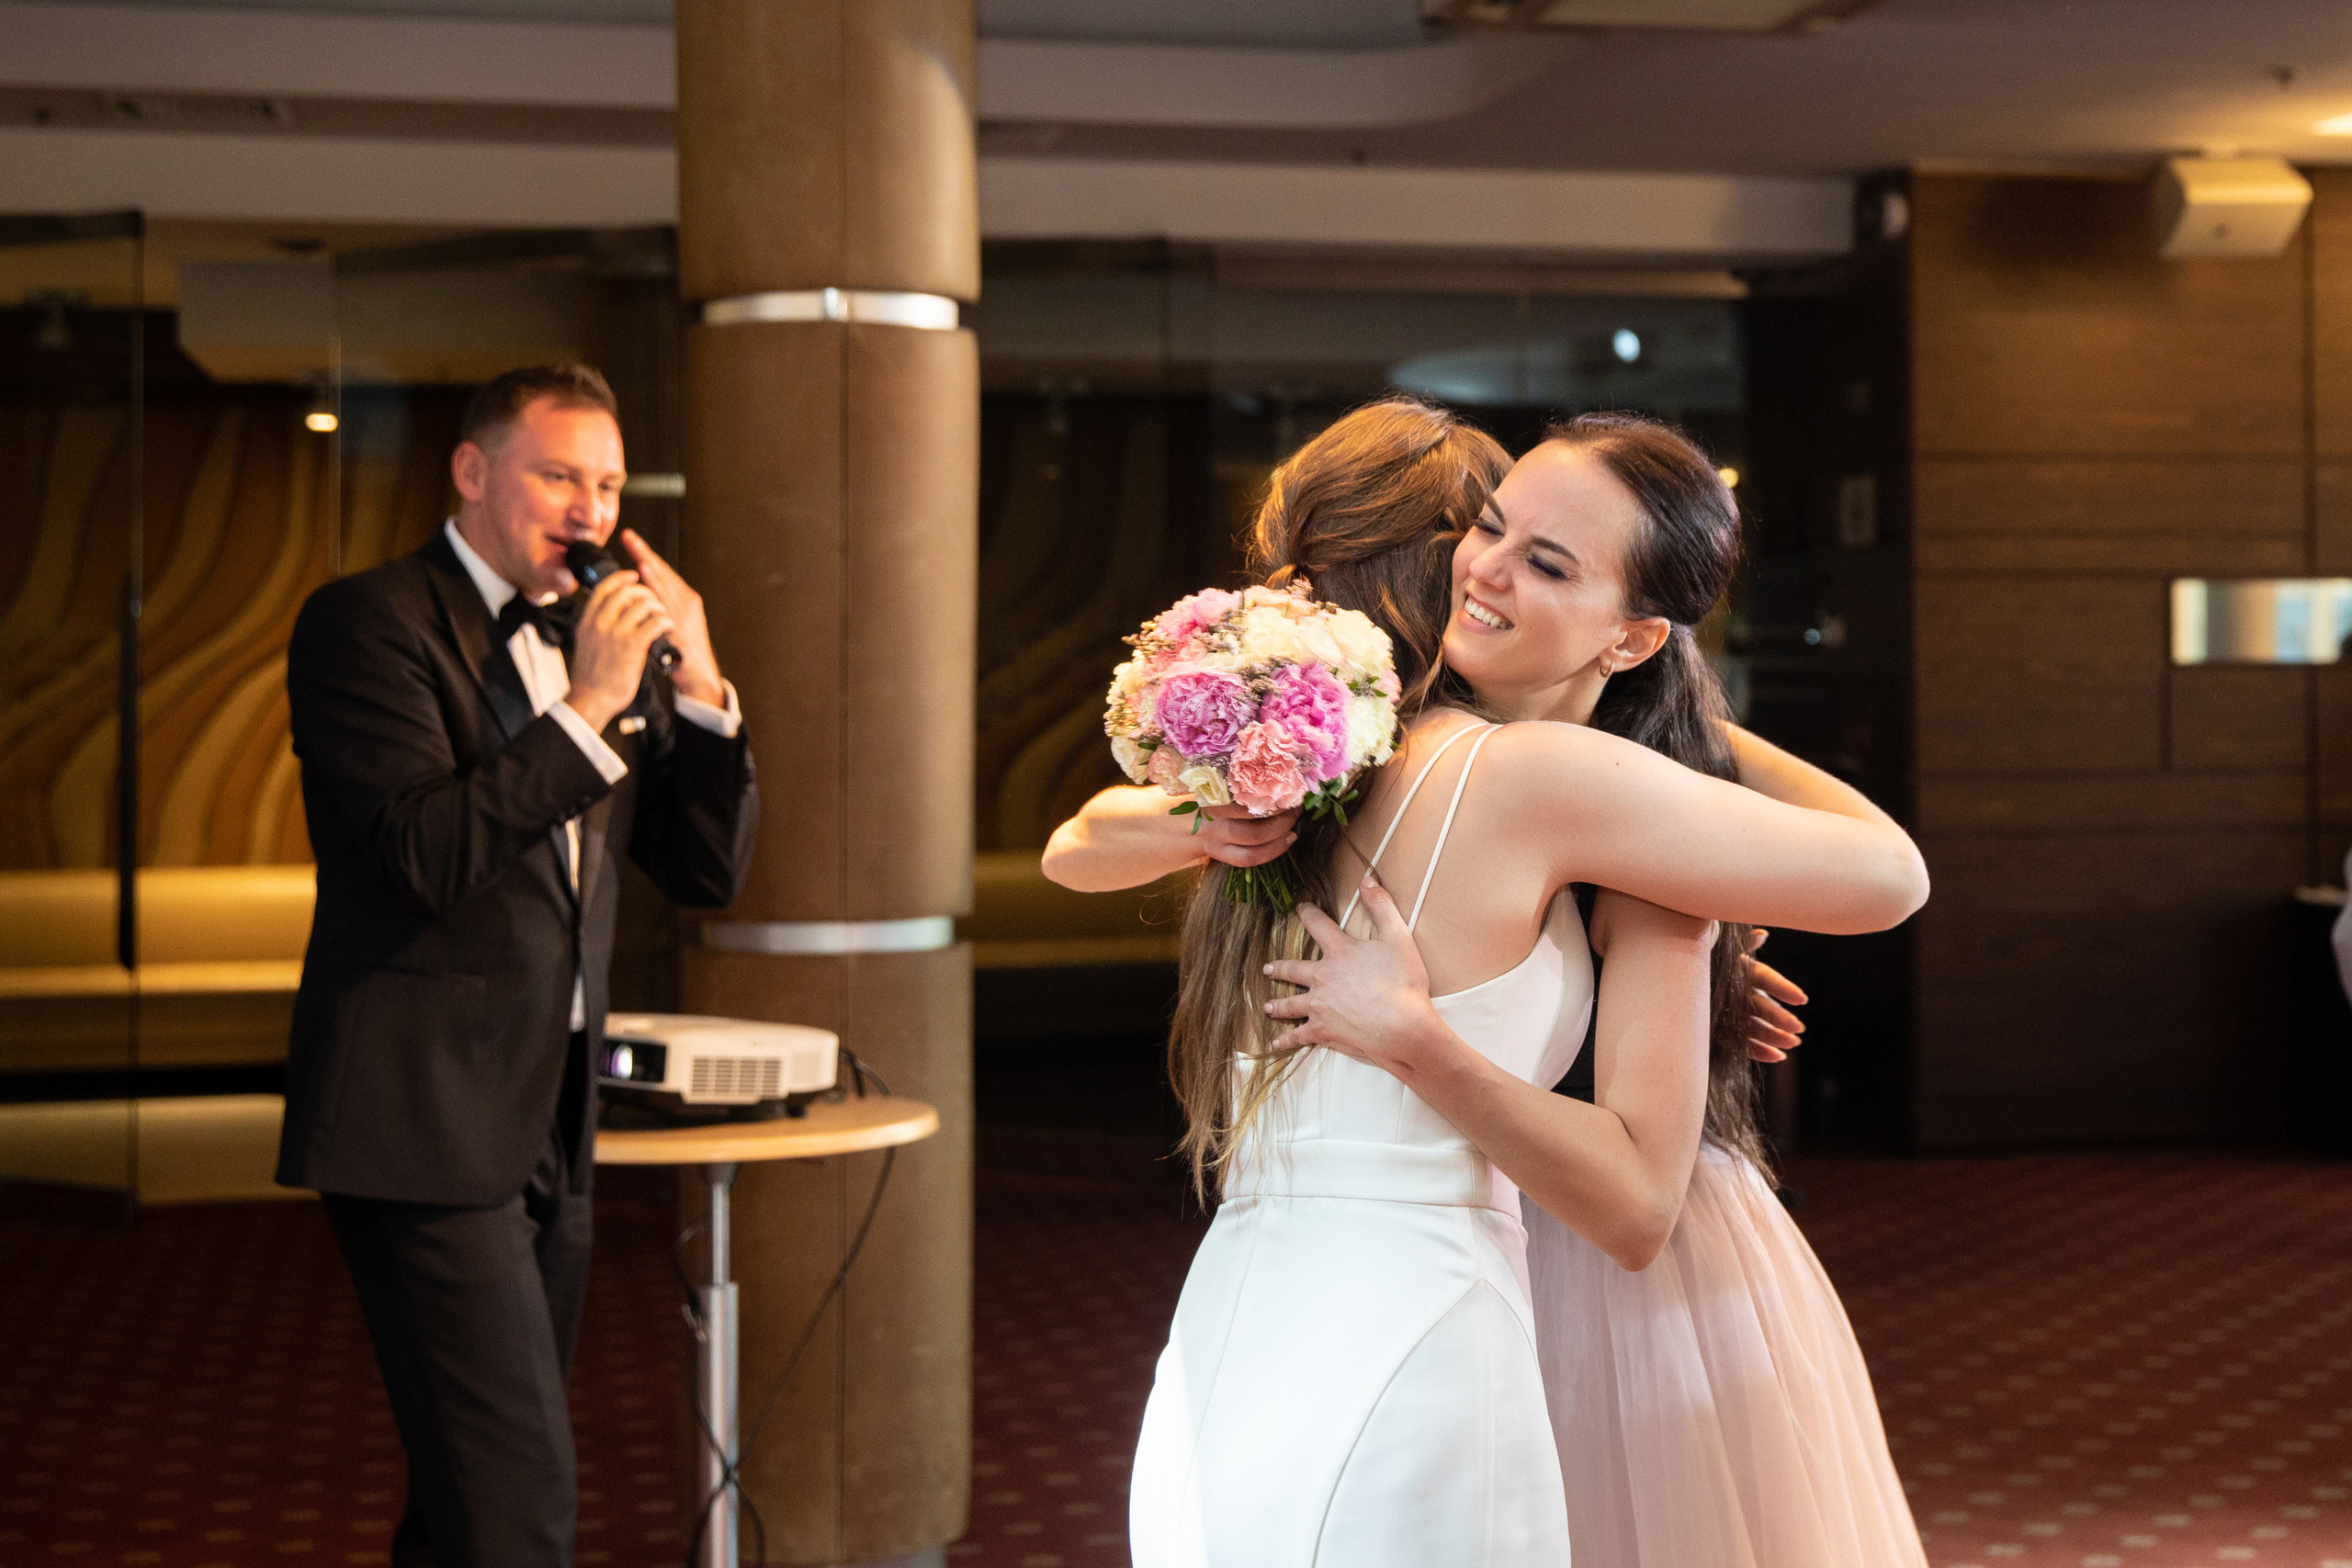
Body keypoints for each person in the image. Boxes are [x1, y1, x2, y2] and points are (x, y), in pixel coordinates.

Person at [1042, 401, 1928, 1565]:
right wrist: (1688, 726)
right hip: (1427, 1307)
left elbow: (1076, 848)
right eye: (1489, 530)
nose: (1491, 570)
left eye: (1545, 559)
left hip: (1246, 1308)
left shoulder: (1330, 771)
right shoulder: (1476, 770)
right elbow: (1888, 874)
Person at [277, 364, 758, 1568]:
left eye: (607, 482)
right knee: (519, 1497)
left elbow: (705, 871)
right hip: (419, 1120)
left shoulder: (602, 653)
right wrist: (590, 709)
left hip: (552, 1113)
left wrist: (697, 692)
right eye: (559, 474)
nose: (590, 507)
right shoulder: (369, 621)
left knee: (467, 1504)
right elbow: (423, 853)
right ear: (474, 471)